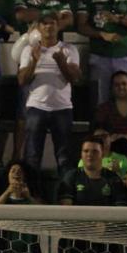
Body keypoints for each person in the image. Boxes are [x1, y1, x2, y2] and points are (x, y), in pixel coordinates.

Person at [19, 11, 80, 170]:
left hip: (62, 108)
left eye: (52, 22)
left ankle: (65, 195)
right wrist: (34, 62)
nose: (48, 26)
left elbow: (75, 78)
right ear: (38, 28)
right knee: (32, 156)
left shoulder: (69, 49)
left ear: (58, 26)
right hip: (36, 107)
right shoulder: (29, 50)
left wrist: (61, 63)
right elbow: (22, 80)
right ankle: (33, 193)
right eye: (44, 23)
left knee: (65, 157)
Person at [58, 134, 127, 207]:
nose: (90, 154)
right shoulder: (71, 177)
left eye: (95, 151)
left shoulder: (114, 178)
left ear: (103, 154)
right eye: (86, 151)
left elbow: (120, 209)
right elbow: (65, 209)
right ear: (81, 154)